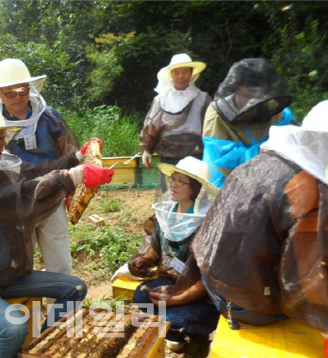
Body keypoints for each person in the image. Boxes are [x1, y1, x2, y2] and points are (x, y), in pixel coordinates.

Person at [0, 101, 114, 358]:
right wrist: (74, 176)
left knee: (73, 289)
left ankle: (42, 347)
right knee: (13, 327)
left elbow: (33, 173)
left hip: (4, 275)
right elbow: (18, 195)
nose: (3, 143)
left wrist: (74, 158)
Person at [189, 100, 328, 332]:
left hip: (214, 286)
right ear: (317, 142)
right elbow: (304, 281)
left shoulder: (255, 164)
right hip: (252, 307)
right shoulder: (307, 189)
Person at [0, 58, 78, 277]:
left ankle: (61, 309)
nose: (18, 98)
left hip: (53, 195)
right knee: (19, 262)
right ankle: (26, 310)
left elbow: (69, 150)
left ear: (30, 88)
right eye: (10, 94)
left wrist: (73, 183)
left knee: (59, 259)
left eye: (22, 91)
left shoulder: (49, 116)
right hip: (15, 202)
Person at [115, 157, 219, 350]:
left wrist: (177, 299)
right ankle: (177, 334)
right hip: (171, 283)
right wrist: (140, 262)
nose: (174, 184)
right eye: (173, 179)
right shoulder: (166, 213)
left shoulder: (208, 224)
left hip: (200, 296)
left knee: (172, 318)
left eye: (181, 181)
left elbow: (209, 280)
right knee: (142, 295)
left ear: (196, 188)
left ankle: (196, 340)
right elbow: (154, 250)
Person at [202, 58, 293, 188]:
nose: (257, 96)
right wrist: (269, 152)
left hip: (275, 178)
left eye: (261, 91)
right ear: (236, 89)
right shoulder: (216, 114)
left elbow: (290, 132)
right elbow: (226, 160)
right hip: (228, 183)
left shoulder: (271, 106)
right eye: (251, 91)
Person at [139, 53, 212, 192]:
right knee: (170, 195)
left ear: (191, 74)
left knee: (194, 195)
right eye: (176, 72)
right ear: (170, 75)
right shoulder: (160, 99)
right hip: (168, 157)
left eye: (185, 72)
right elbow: (151, 126)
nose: (181, 76)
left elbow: (212, 128)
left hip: (195, 156)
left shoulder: (203, 98)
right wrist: (146, 149)